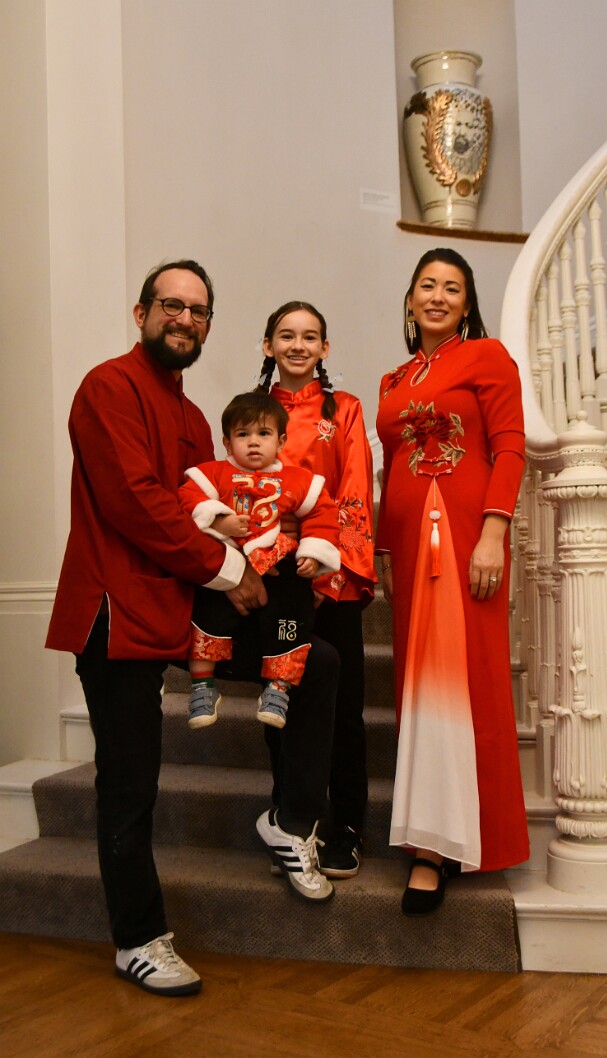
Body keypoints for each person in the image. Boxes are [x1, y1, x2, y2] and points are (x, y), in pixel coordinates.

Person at [45, 262, 338, 998]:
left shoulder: (191, 416)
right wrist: (228, 566)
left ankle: (289, 817)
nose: (184, 319)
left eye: (198, 311)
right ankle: (138, 939)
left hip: (177, 608)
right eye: (171, 305)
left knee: (317, 660)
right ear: (141, 310)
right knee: (130, 782)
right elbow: (138, 504)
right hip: (115, 614)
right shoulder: (106, 387)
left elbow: (200, 502)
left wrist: (267, 550)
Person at [375, 248, 529, 915]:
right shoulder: (393, 378)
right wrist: (382, 546)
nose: (438, 296)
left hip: (468, 539)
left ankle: (443, 849)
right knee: (418, 687)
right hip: (409, 548)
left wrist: (494, 531)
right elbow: (391, 466)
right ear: (410, 300)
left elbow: (511, 446)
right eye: (427, 286)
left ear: (467, 305)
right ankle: (429, 830)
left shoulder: (488, 357)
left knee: (467, 680)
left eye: (452, 288)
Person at [256, 301, 375, 878]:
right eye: (286, 335)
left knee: (343, 710)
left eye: (310, 337)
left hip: (331, 579)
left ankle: (346, 826)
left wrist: (330, 575)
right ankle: (291, 820)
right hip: (275, 579)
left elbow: (354, 493)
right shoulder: (254, 411)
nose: (298, 345)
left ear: (325, 349)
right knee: (281, 703)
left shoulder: (345, 411)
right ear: (268, 346)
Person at [179, 391, 340, 729]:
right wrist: (218, 519)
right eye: (243, 434)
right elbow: (186, 500)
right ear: (227, 441)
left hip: (278, 567)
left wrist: (313, 552)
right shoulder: (214, 475)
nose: (253, 443)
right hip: (230, 568)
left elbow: (322, 514)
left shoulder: (298, 481)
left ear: (281, 440)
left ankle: (278, 688)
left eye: (263, 434)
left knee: (292, 615)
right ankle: (203, 686)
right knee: (206, 610)